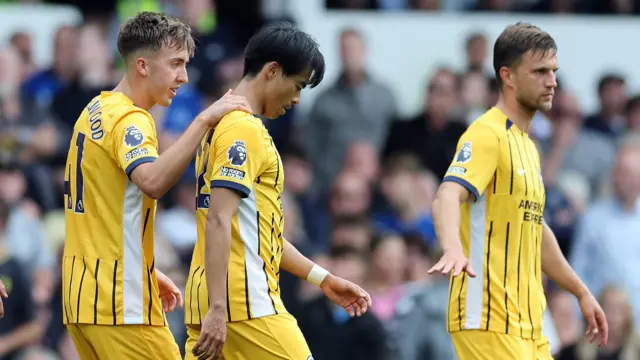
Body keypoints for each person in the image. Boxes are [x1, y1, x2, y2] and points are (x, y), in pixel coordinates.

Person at [62, 12, 252, 360]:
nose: (184, 76)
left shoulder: (95, 108)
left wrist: (144, 266)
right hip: (122, 304)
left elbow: (101, 208)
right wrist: (204, 120)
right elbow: (151, 181)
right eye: (176, 63)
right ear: (142, 66)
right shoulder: (132, 118)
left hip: (82, 300)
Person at [183, 22, 373, 360]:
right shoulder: (243, 129)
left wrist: (322, 277)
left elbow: (258, 233)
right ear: (272, 71)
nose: (297, 99)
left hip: (213, 300)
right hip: (244, 304)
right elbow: (218, 219)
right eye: (298, 85)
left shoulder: (221, 124)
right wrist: (219, 306)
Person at [427, 22, 608, 360]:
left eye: (553, 71)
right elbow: (447, 197)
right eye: (540, 71)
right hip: (487, 318)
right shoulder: (485, 134)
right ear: (508, 76)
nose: (552, 81)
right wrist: (453, 249)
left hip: (529, 325)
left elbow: (535, 229)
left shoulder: (527, 145)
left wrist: (581, 292)